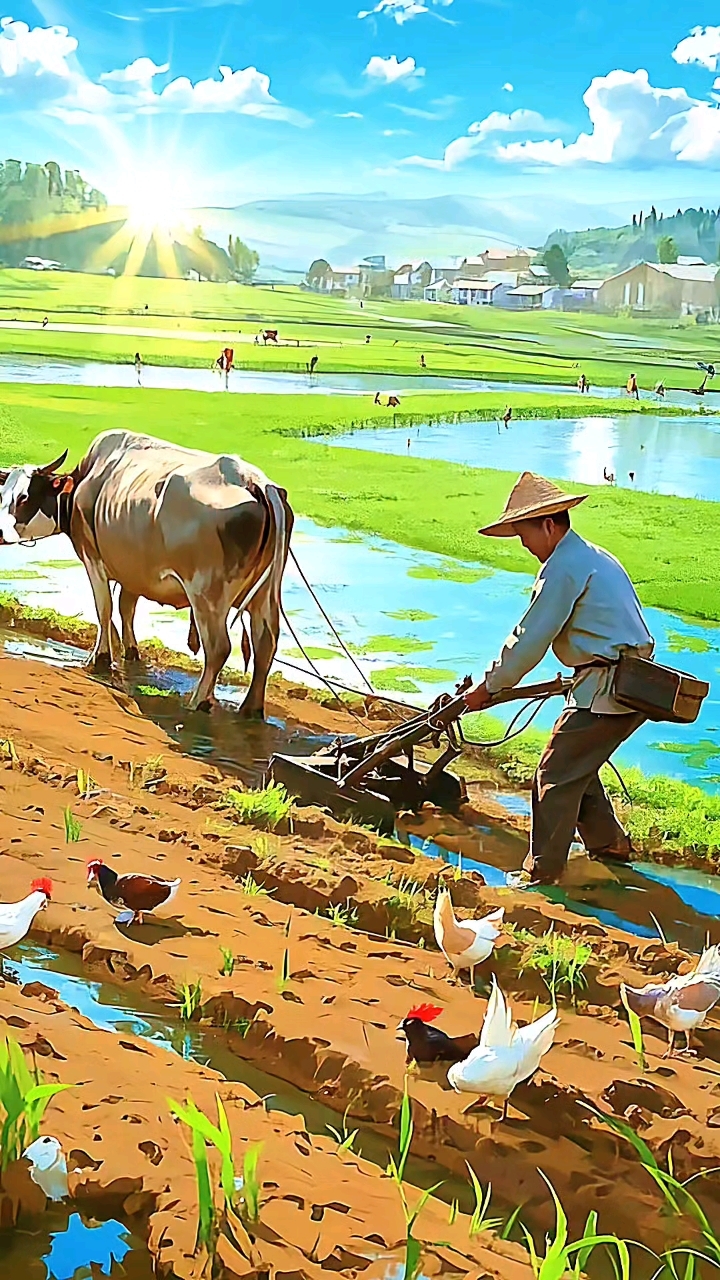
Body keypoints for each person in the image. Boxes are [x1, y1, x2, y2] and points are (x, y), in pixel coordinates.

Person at [463, 471, 654, 887]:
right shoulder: (592, 555)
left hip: (609, 688)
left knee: (553, 773)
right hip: (619, 679)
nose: (524, 545)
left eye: (523, 535)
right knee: (576, 768)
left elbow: (530, 637)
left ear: (548, 524)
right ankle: (610, 846)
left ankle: (541, 872)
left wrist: (491, 685)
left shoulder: (563, 566)